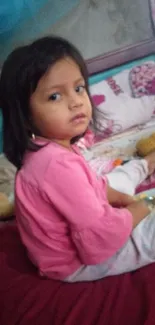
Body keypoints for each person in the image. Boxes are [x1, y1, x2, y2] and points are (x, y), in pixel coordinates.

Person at [1, 36, 155, 282]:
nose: (75, 102)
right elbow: (99, 239)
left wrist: (121, 198)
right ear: (25, 116)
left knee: (113, 179)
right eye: (54, 96)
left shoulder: (48, 151)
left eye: (78, 88)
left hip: (63, 250)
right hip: (75, 264)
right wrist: (140, 208)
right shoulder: (55, 165)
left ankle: (146, 163)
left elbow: (94, 187)